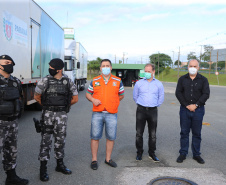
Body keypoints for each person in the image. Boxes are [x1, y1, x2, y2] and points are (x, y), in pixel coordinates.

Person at [34, 58, 78, 181]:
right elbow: (36, 96)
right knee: (45, 141)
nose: (50, 69)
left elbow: (75, 98)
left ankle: (60, 165)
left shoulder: (68, 82)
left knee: (60, 140)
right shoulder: (45, 80)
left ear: (59, 69)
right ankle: (43, 169)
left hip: (62, 115)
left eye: (51, 67)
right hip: (47, 115)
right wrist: (48, 106)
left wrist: (63, 106)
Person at [86, 59, 124, 170]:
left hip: (111, 114)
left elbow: (121, 95)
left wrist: (113, 102)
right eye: (103, 65)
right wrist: (93, 99)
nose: (105, 67)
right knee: (95, 137)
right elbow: (88, 94)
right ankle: (94, 160)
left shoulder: (118, 81)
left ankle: (108, 159)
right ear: (100, 68)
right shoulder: (95, 80)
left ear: (111, 68)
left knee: (111, 137)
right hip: (97, 113)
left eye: (108, 65)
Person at [0, 55, 29, 185]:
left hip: (12, 122)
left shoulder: (16, 82)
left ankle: (11, 178)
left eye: (11, 63)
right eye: (6, 62)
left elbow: (19, 99)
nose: (9, 65)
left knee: (11, 151)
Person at [175, 59, 210, 164]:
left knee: (197, 133)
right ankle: (183, 153)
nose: (193, 68)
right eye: (191, 66)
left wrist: (196, 105)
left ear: (198, 68)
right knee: (184, 132)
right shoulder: (182, 79)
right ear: (188, 67)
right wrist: (186, 105)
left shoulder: (203, 80)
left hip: (198, 110)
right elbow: (178, 93)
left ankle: (196, 154)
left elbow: (206, 94)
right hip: (184, 110)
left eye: (195, 66)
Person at [133, 63, 164, 162]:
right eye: (145, 71)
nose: (146, 73)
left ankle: (152, 153)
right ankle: (139, 152)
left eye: (149, 72)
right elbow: (135, 96)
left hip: (153, 110)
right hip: (141, 110)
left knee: (153, 134)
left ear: (153, 72)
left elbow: (161, 97)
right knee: (139, 133)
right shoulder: (139, 83)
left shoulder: (158, 84)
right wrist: (141, 104)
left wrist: (154, 105)